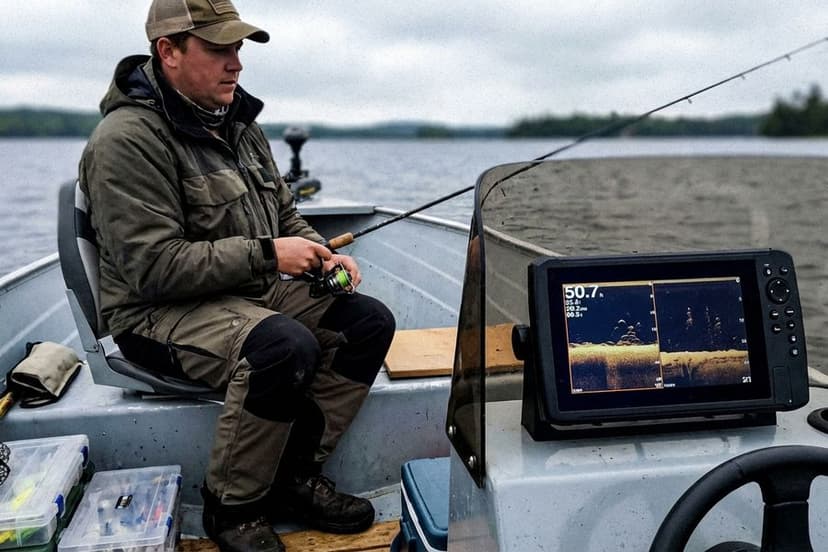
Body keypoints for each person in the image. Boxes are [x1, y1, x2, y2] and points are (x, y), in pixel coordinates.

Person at [78, 1, 396, 550]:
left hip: (242, 295)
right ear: (169, 51)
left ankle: (294, 478)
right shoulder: (125, 141)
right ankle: (234, 508)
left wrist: (322, 253)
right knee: (281, 347)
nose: (237, 64)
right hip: (154, 313)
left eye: (238, 48)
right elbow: (151, 268)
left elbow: (285, 215)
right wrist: (270, 255)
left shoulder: (241, 126)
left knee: (366, 322)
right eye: (219, 49)